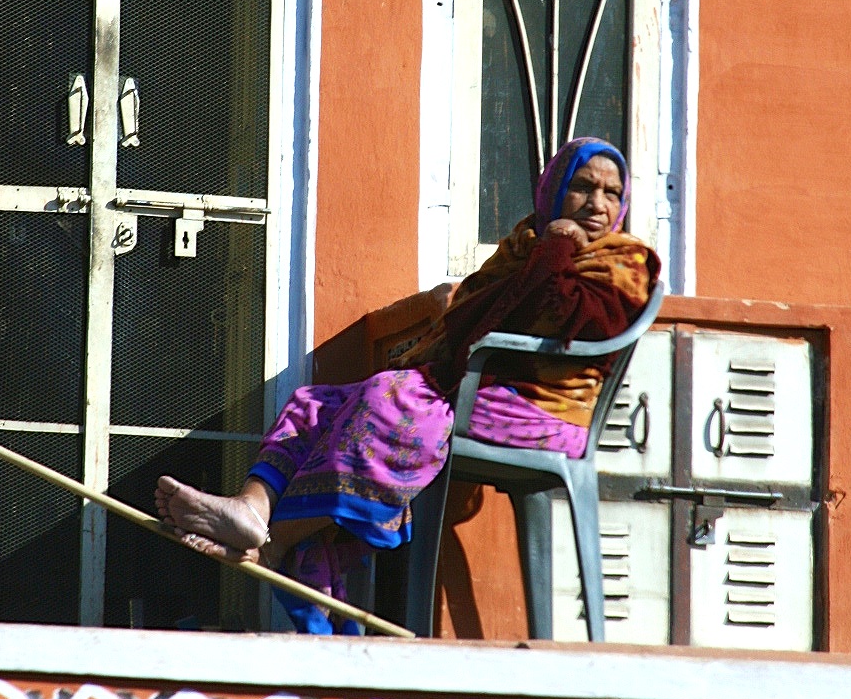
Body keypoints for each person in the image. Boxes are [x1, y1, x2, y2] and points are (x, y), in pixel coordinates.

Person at [154, 137, 659, 633]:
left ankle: (274, 541)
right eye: (583, 187)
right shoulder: (524, 244)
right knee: (319, 404)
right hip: (481, 386)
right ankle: (252, 507)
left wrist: (558, 248)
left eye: (611, 193)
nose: (596, 203)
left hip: (544, 408)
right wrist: (544, 250)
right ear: (554, 191)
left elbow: (560, 319)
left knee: (389, 397)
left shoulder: (624, 262)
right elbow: (468, 320)